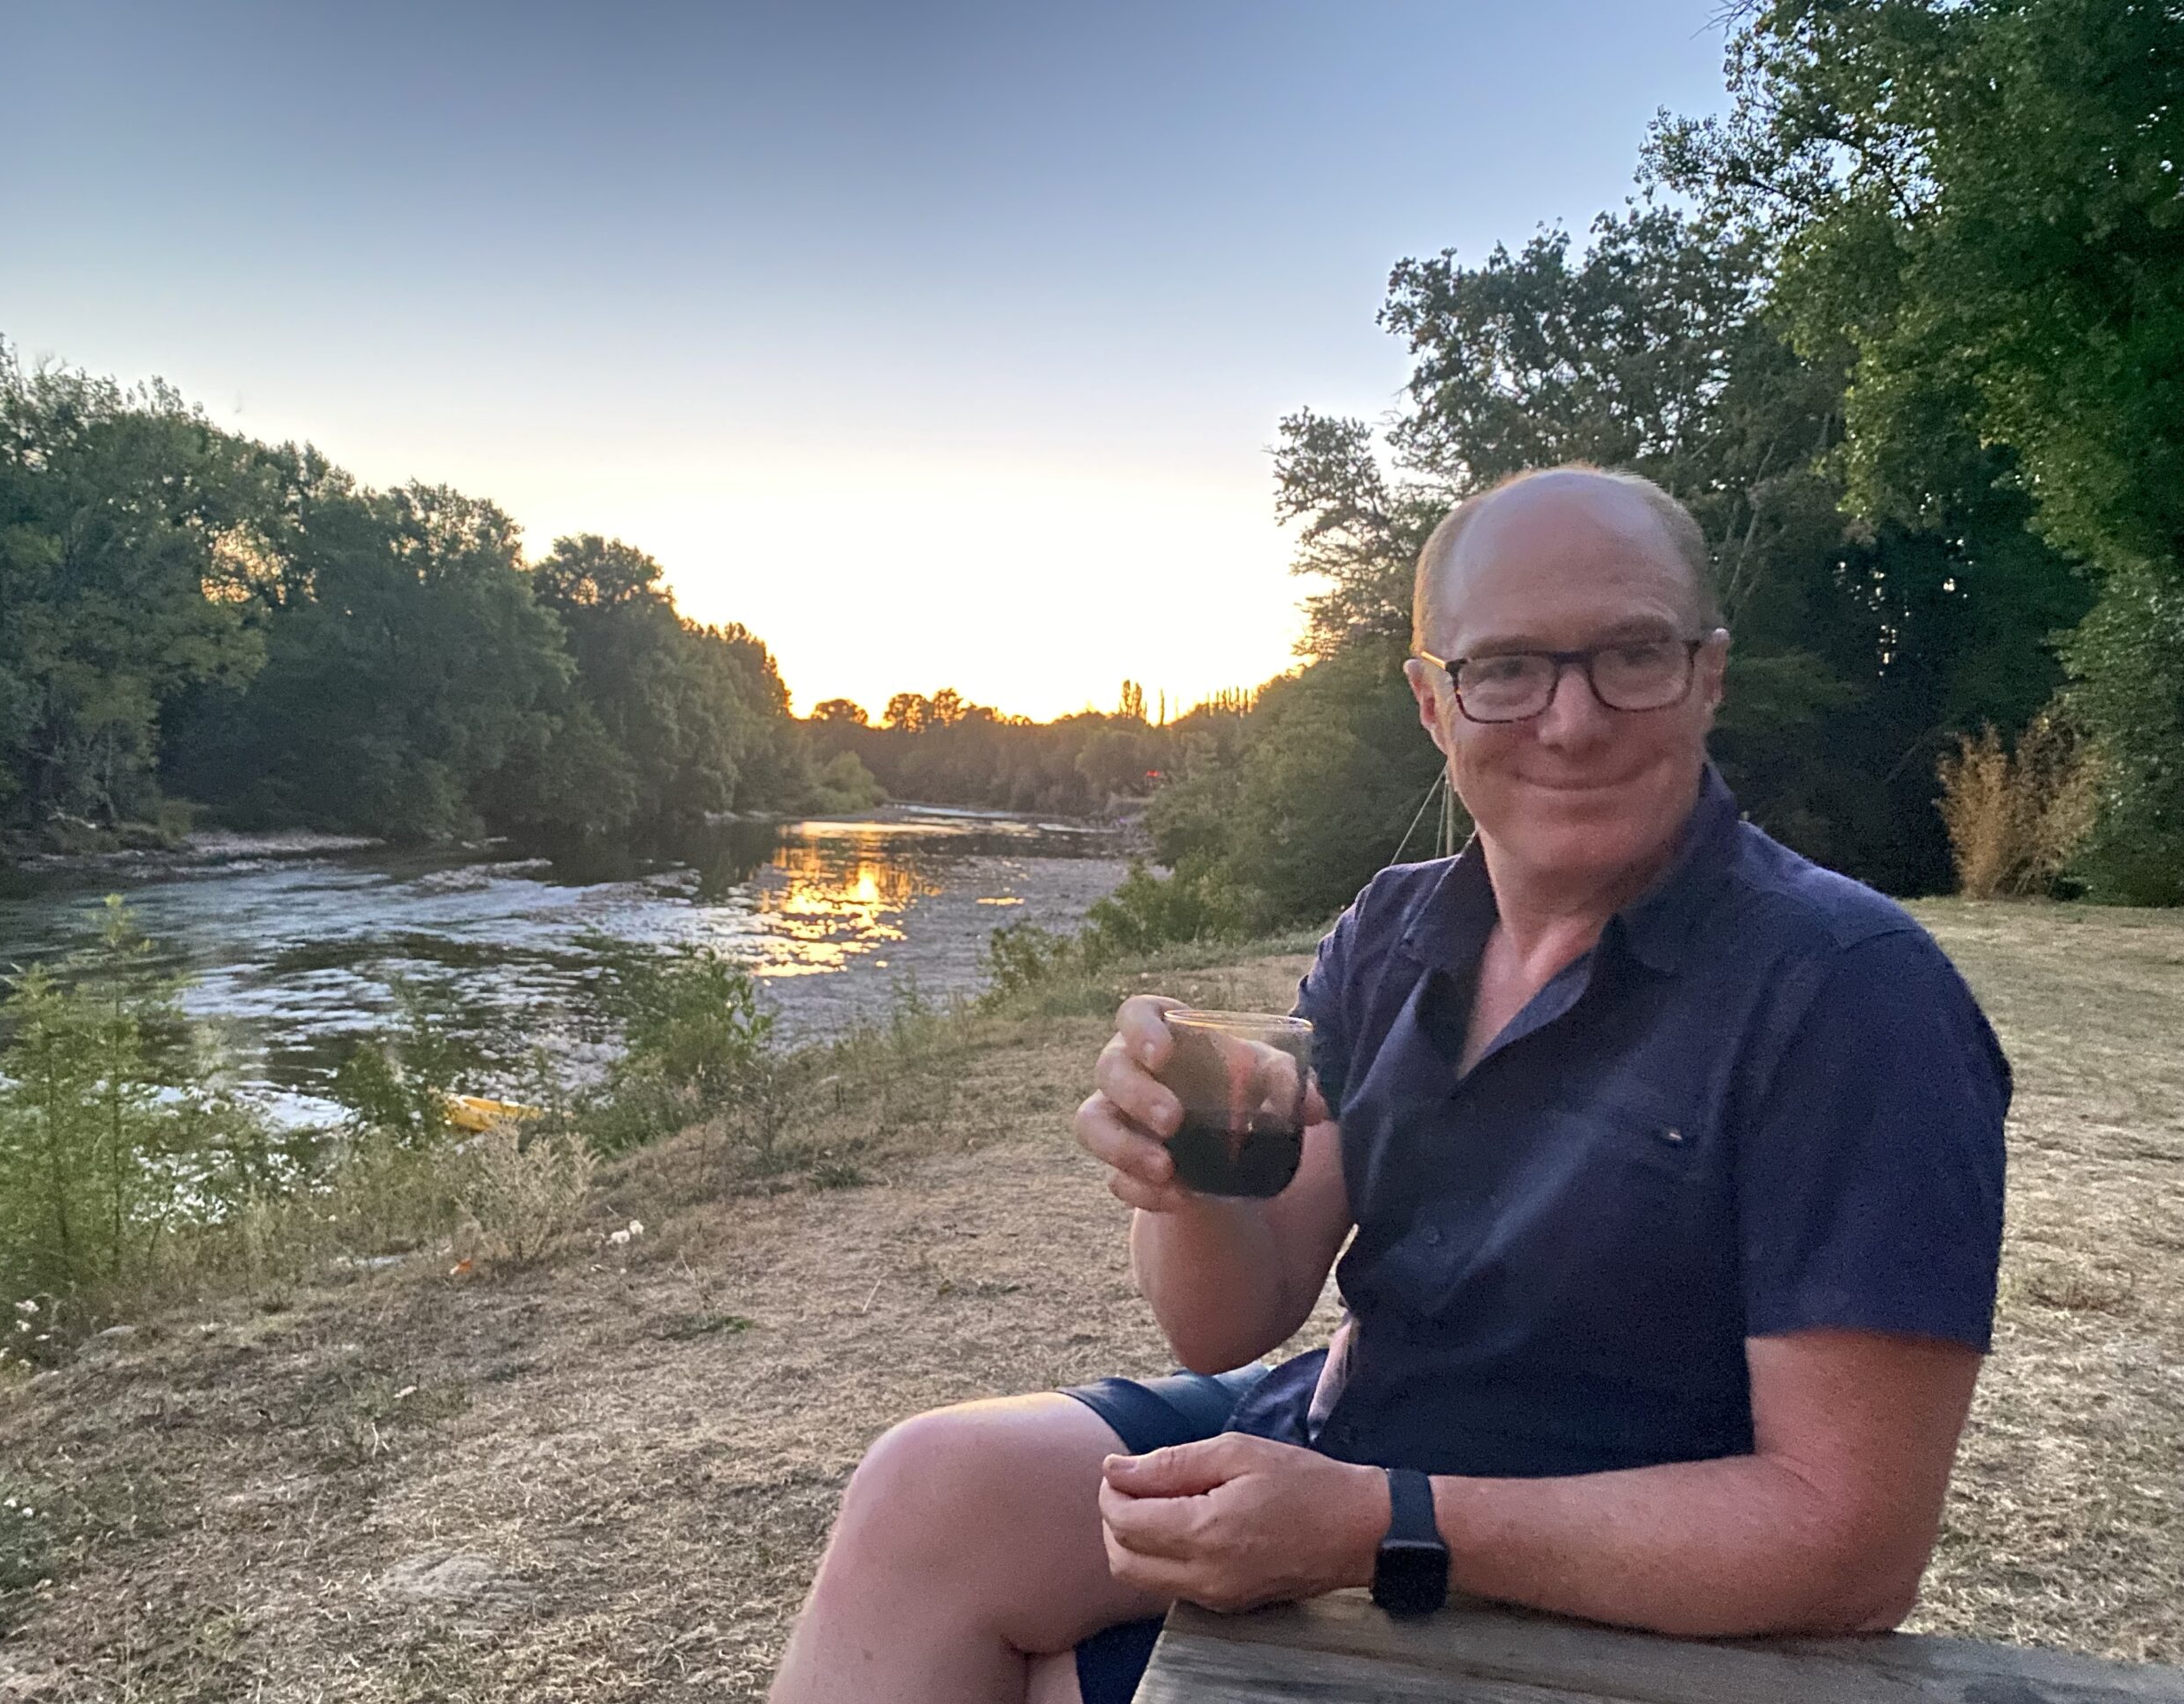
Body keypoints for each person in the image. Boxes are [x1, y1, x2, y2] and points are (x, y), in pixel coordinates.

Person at [769, 465, 2009, 1704]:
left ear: (1709, 674)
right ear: (1433, 704)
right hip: (1340, 1437)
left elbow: (1849, 1545)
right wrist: (1187, 1169)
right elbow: (1229, 1319)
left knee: (1066, 1683)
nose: (1572, 722)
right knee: (929, 1489)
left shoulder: (1850, 993)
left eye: (1633, 655)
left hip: (1588, 1588)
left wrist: (1382, 1524)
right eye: (1506, 670)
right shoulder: (1396, 930)